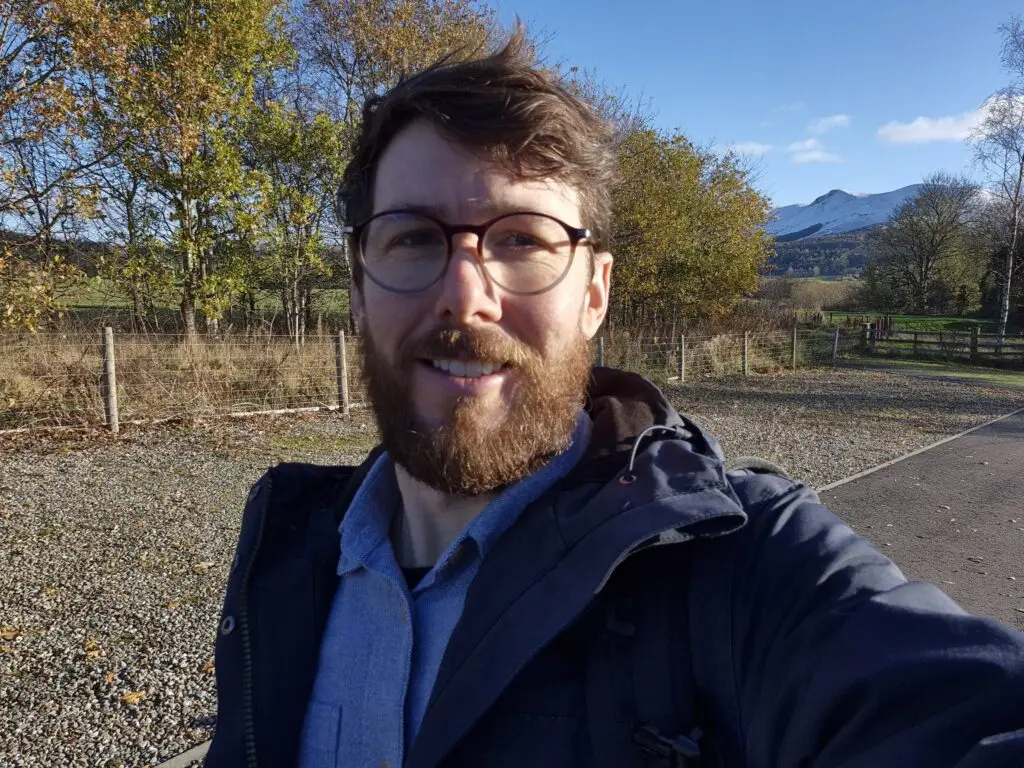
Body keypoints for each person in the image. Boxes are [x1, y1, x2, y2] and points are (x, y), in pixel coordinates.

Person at [205, 29, 1024, 768]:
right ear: (357, 286)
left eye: (522, 239)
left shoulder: (737, 566)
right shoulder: (286, 548)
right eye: (413, 237)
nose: (465, 295)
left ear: (595, 293)